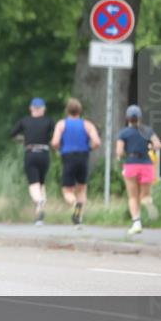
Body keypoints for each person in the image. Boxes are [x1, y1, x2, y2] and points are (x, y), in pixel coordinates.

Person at [51, 97, 101, 227]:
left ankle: (75, 204)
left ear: (67, 110)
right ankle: (79, 218)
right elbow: (97, 142)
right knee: (82, 189)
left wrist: (60, 149)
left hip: (68, 156)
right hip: (83, 156)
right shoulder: (87, 124)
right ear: (80, 110)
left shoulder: (62, 124)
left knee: (67, 191)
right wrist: (89, 148)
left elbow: (55, 142)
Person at [116, 105, 161, 236]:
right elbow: (158, 144)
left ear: (127, 118)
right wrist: (150, 147)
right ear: (140, 118)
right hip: (147, 165)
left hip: (131, 164)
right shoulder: (147, 131)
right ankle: (148, 202)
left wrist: (122, 155)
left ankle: (136, 223)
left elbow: (119, 152)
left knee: (132, 196)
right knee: (144, 196)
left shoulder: (123, 133)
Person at [10, 98, 55, 225]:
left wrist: (24, 139)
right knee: (41, 182)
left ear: (31, 108)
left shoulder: (25, 121)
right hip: (44, 153)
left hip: (30, 153)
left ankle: (39, 200)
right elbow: (56, 135)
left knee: (33, 183)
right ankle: (39, 215)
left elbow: (12, 134)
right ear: (43, 109)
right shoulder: (49, 121)